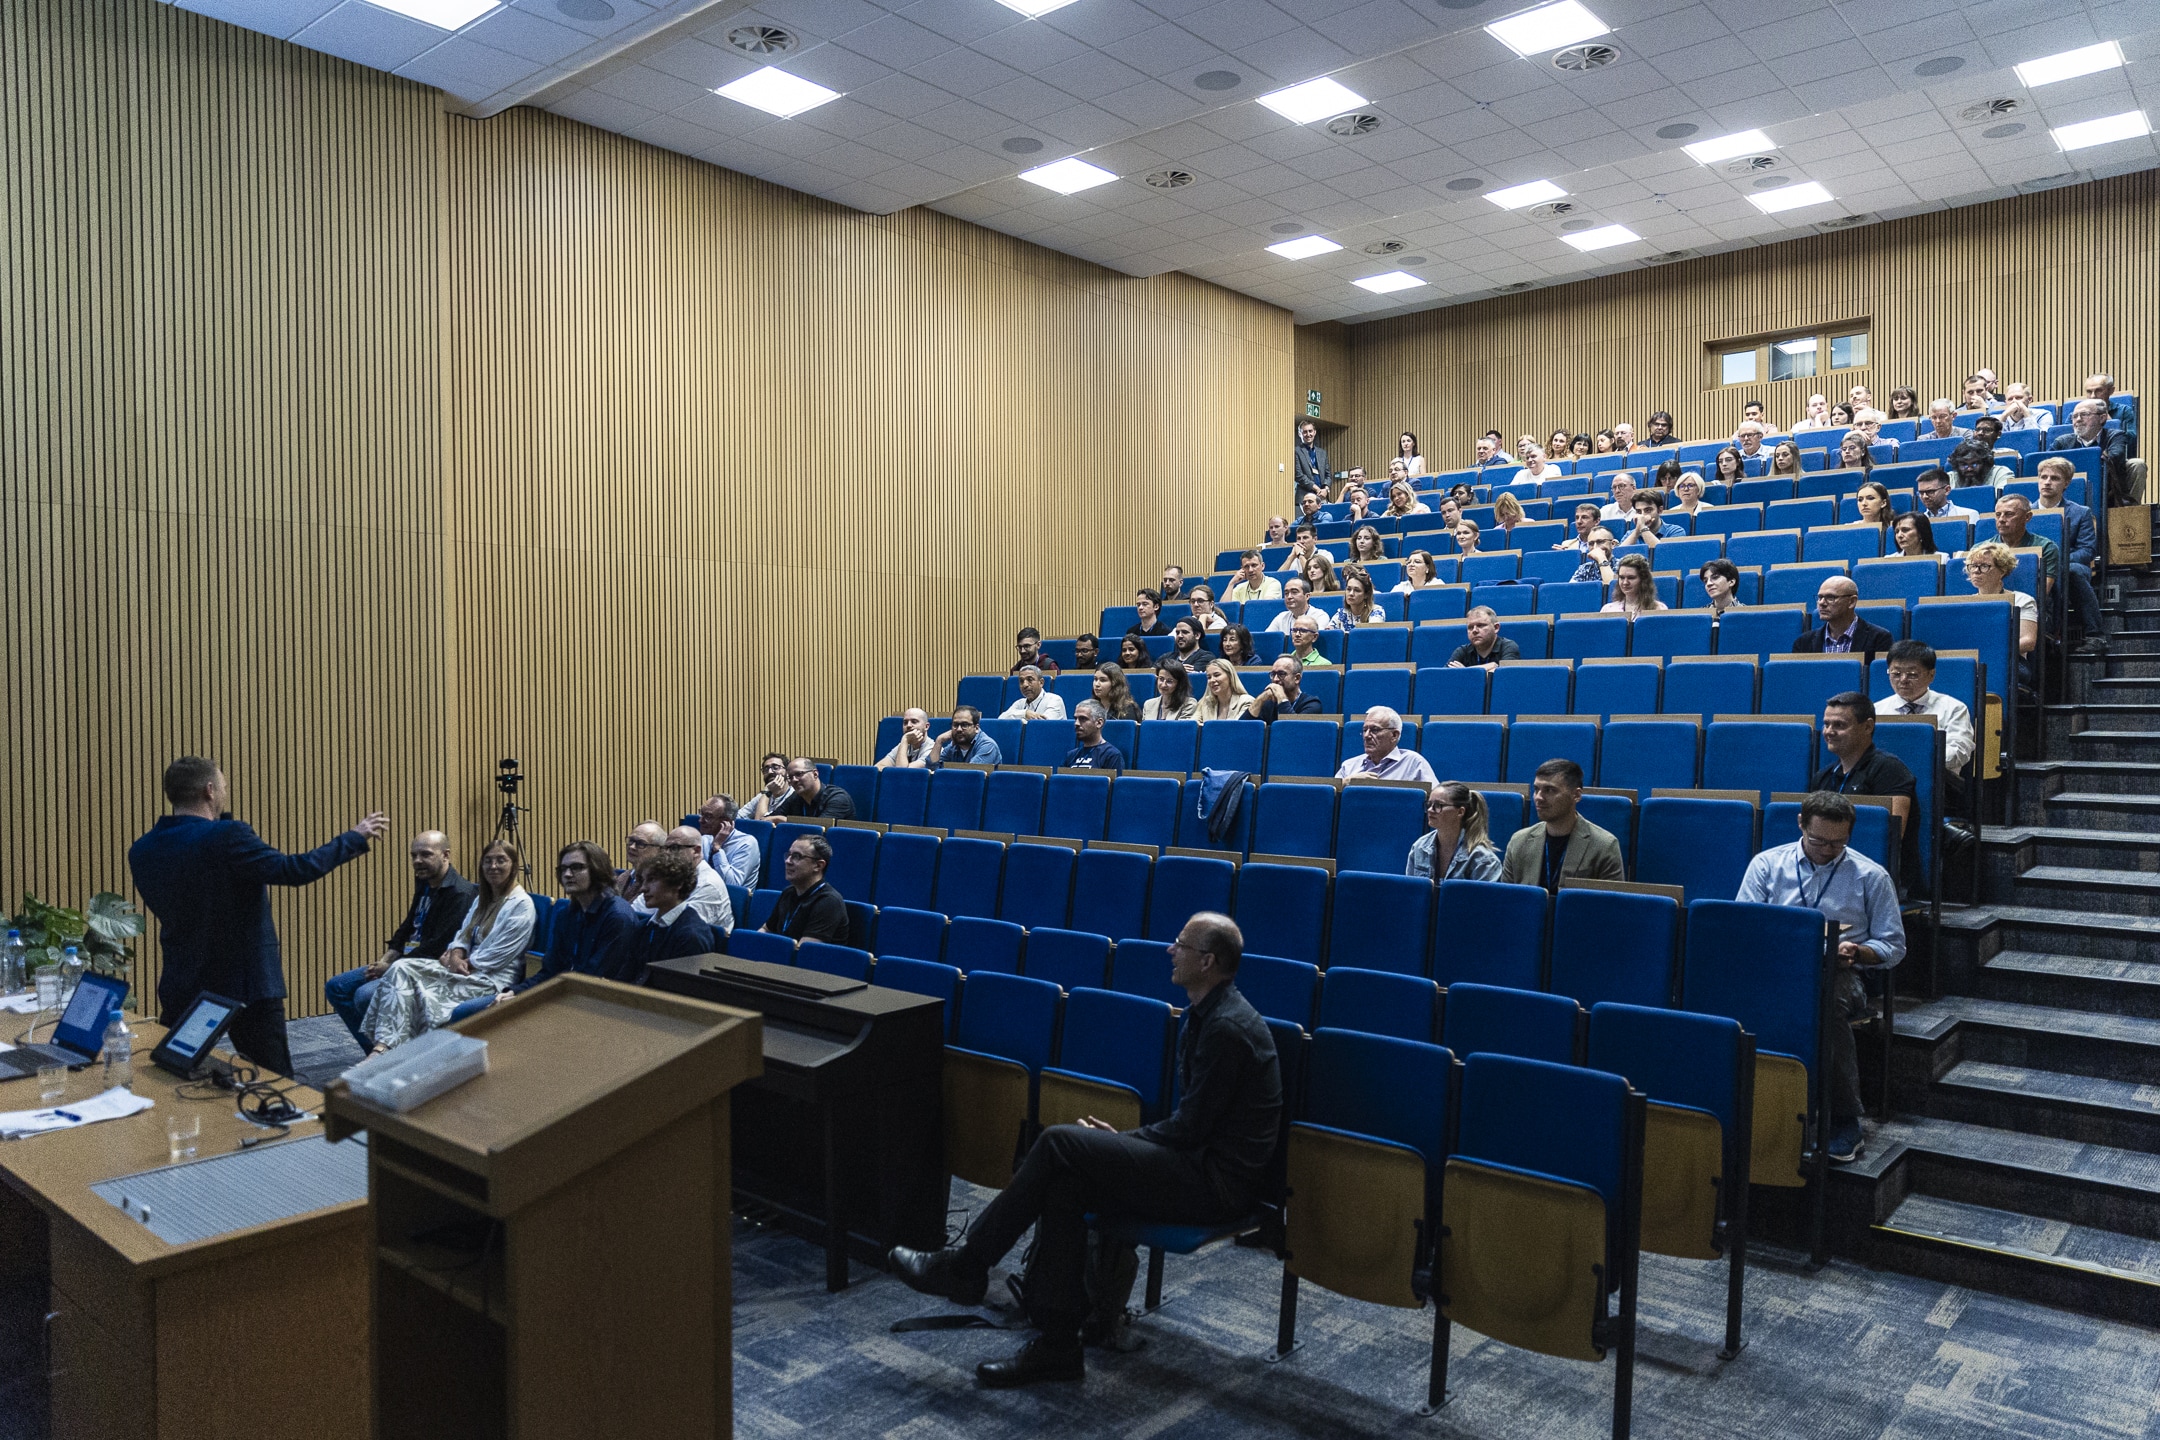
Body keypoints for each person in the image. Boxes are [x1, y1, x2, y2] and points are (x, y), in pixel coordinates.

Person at [891, 910, 1278, 1387]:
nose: (1170, 950)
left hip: (1216, 1185)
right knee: (1066, 1183)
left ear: (1207, 962)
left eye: (1181, 944)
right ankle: (1057, 1347)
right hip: (1193, 1164)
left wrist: (1121, 1143)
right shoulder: (1206, 1016)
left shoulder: (1227, 1029)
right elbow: (1190, 1128)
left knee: (1059, 1142)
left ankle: (967, 1266)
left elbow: (1192, 1130)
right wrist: (1123, 1145)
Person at [130, 757, 388, 1076]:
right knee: (274, 1082)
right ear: (209, 790)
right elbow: (293, 870)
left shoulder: (142, 850)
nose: (224, 793)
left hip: (184, 979)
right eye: (223, 786)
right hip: (246, 984)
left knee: (175, 1070)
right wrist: (354, 837)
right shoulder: (228, 836)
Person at [1737, 791, 1905, 1163]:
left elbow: (1893, 946)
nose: (1828, 850)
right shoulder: (1767, 865)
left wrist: (1858, 951)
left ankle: (1844, 1118)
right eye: (1819, 841)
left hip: (1843, 972)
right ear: (1801, 825)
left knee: (1824, 1000)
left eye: (1838, 843)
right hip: (1776, 968)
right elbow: (1743, 925)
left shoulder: (1870, 876)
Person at [360, 839, 534, 1053]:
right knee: (400, 967)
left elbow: (499, 955)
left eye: (501, 860)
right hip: (465, 970)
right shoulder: (484, 899)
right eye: (488, 861)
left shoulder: (521, 904)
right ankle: (384, 1047)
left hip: (490, 979)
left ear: (514, 865)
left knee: (416, 994)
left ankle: (395, 1053)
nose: (493, 866)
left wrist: (460, 962)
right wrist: (456, 953)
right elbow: (462, 933)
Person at [322, 829, 477, 1051]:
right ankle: (380, 1053)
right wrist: (385, 959)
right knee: (336, 986)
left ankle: (389, 1051)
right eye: (414, 855)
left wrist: (391, 967)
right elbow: (407, 928)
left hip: (427, 966)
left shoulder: (460, 893)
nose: (417, 861)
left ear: (446, 855)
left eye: (425, 854)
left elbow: (436, 947)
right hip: (403, 960)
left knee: (364, 995)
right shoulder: (425, 882)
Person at [453, 840, 637, 1020]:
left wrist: (532, 1000)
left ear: (597, 870)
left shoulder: (617, 917)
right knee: (492, 1005)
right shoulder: (567, 914)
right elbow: (550, 972)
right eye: (563, 869)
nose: (567, 874)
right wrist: (516, 992)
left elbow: (593, 981)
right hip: (568, 995)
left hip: (601, 1009)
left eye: (577, 867)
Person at [1813, 693, 1919, 885]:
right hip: (1827, 870)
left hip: (1874, 878)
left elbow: (1893, 837)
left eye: (1839, 725)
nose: (1829, 731)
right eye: (1826, 724)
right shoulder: (1823, 776)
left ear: (1868, 727)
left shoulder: (1890, 769)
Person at [1502, 759, 1624, 890]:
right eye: (1536, 789)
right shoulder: (1519, 842)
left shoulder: (1604, 846)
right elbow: (1507, 898)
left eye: (1550, 790)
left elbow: (1611, 902)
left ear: (1576, 795)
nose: (1538, 797)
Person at [605, 851, 719, 983]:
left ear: (678, 883)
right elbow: (625, 977)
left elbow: (681, 990)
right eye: (643, 881)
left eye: (652, 880)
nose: (643, 888)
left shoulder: (692, 936)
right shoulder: (644, 927)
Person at [1879, 640, 1975, 792]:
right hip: (1886, 782)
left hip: (1938, 784)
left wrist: (1920, 760)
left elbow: (1960, 752)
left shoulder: (1954, 708)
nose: (1903, 680)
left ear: (1931, 675)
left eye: (1912, 674)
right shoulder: (1877, 710)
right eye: (1896, 674)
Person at [2035, 458, 2105, 650]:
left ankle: (2095, 635)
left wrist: (2057, 563)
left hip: (2070, 565)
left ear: (2066, 483)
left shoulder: (2081, 513)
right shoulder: (2025, 513)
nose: (2047, 482)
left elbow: (2087, 550)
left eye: (2055, 478)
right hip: (2035, 566)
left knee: (2071, 571)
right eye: (2043, 477)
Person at [643, 826, 736, 933]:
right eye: (665, 848)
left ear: (696, 851)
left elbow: (685, 928)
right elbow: (639, 910)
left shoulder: (708, 885)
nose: (667, 854)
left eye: (674, 848)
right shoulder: (667, 876)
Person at [1405, 781, 1504, 881]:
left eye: (1438, 805)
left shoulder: (1484, 861)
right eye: (1429, 804)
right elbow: (1411, 889)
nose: (1430, 810)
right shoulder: (1419, 847)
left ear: (1460, 812)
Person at [1962, 539, 2040, 665]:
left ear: (2002, 571)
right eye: (1973, 566)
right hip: (1971, 663)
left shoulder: (2022, 600)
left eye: (1984, 566)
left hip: (2008, 662)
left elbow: (2028, 641)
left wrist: (1992, 652)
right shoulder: (1964, 603)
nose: (1976, 571)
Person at [761, 834, 849, 944]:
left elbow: (805, 950)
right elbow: (766, 929)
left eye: (797, 856)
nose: (788, 861)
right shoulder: (789, 892)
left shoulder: (829, 901)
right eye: (789, 855)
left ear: (818, 866)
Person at [1795, 576, 1894, 665]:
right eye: (1820, 597)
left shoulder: (1879, 638)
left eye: (1830, 597)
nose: (1822, 603)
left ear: (1851, 602)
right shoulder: (1803, 642)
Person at [2057, 398, 2136, 505]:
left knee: (2137, 464)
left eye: (2084, 414)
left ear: (2102, 418)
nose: (2078, 419)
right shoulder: (2062, 441)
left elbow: (2115, 456)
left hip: (2107, 489)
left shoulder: (2115, 435)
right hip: (2069, 489)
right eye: (2074, 416)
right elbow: (2046, 462)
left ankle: (2129, 510)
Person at [1992, 493, 2060, 606]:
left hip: (2029, 607)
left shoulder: (2046, 547)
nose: (2001, 519)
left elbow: (2040, 595)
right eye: (1998, 515)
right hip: (1992, 605)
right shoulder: (1981, 549)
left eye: (2009, 514)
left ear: (2027, 517)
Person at [1336, 707, 1437, 783]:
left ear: (1394, 735)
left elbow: (1436, 799)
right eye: (1364, 730)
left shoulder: (1413, 763)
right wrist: (1346, 782)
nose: (1366, 736)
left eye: (1375, 730)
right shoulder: (1349, 766)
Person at [698, 794, 762, 891]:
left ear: (726, 821)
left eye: (708, 816)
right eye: (701, 814)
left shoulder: (747, 843)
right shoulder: (705, 839)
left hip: (732, 899)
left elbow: (732, 885)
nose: (701, 820)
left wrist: (717, 848)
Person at [771, 759, 854, 820]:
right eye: (790, 777)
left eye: (799, 774)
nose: (794, 780)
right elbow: (767, 820)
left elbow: (819, 829)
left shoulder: (838, 798)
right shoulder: (795, 797)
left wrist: (785, 820)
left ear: (815, 774)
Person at [1450, 605, 1518, 671]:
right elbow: (1447, 675)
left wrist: (1464, 672)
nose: (1474, 630)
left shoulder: (1508, 646)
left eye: (1480, 625)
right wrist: (1490, 667)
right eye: (1470, 627)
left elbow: (1505, 674)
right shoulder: (1462, 651)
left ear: (1496, 628)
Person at [1062, 700, 1126, 770]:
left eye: (1083, 719)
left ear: (1099, 723)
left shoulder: (1111, 755)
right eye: (1075, 719)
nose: (1076, 723)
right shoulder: (1071, 755)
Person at [1254, 654, 1321, 720]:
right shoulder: (1269, 703)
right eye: (1273, 674)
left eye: (1281, 674)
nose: (1275, 679)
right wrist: (1260, 699)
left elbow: (1292, 726)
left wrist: (1281, 697)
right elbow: (1249, 724)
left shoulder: (1312, 705)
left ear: (1297, 678)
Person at [616, 822, 666, 900]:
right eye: (631, 840)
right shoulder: (622, 878)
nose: (632, 847)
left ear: (660, 850)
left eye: (641, 844)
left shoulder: (661, 884)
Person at [1602, 554, 1666, 615]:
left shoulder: (1659, 609)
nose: (1625, 582)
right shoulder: (1607, 610)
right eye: (1622, 577)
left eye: (1631, 578)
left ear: (1643, 579)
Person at [1001, 665, 1068, 720]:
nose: (1025, 685)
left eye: (1030, 680)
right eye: (1021, 681)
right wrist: (1024, 714)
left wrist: (1018, 717)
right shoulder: (1019, 703)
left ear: (1041, 682)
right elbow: (1001, 719)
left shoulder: (1054, 700)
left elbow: (1044, 725)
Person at [1949, 437, 2013, 489]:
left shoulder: (2001, 473)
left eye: (1974, 464)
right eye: (1964, 465)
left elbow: (2003, 498)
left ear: (1986, 463)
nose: (1969, 469)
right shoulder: (1950, 478)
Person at [743, 752, 791, 820]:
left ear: (788, 771)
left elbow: (762, 823)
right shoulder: (762, 795)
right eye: (766, 769)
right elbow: (739, 816)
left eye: (776, 767)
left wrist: (766, 792)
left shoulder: (793, 796)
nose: (770, 771)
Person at [1294, 419, 1328, 500]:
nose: (1308, 434)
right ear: (1299, 434)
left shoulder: (1322, 453)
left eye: (1310, 431)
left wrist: (1326, 489)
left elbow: (1328, 475)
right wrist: (1317, 489)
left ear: (1314, 432)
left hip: (1322, 496)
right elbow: (1298, 475)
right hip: (1304, 497)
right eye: (1305, 432)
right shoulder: (1296, 451)